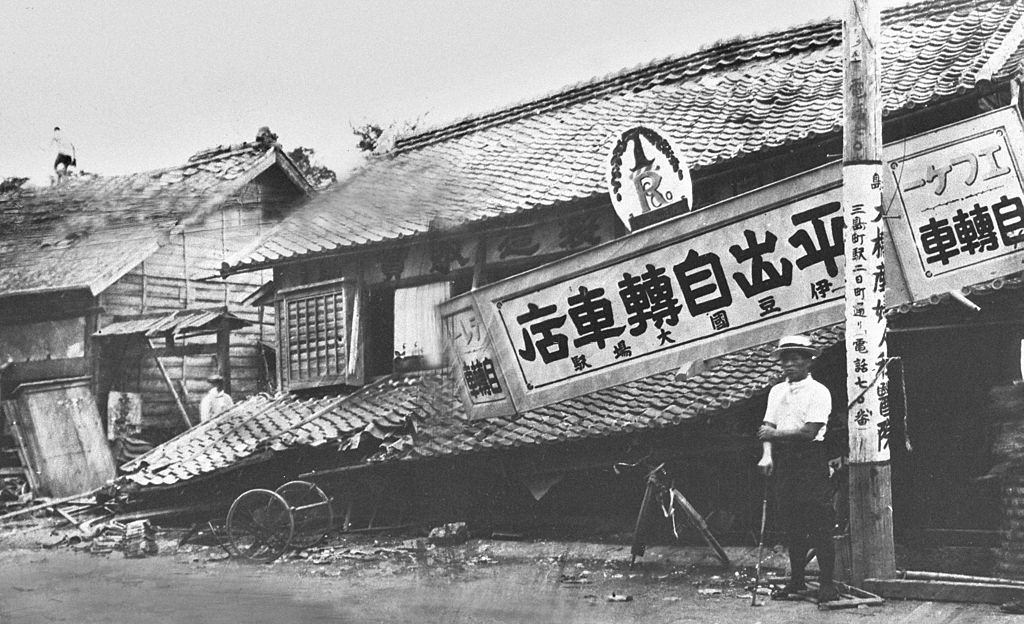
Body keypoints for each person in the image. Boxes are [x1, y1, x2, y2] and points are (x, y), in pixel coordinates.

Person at [757, 334, 838, 604]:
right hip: (785, 461)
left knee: (819, 523)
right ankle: (796, 581)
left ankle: (827, 584)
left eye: (795, 359)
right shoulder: (776, 391)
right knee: (792, 524)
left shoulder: (819, 392)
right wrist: (767, 456)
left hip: (810, 459)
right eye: (785, 360)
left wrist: (775, 435)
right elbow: (765, 429)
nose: (789, 364)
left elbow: (808, 431)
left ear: (808, 362)